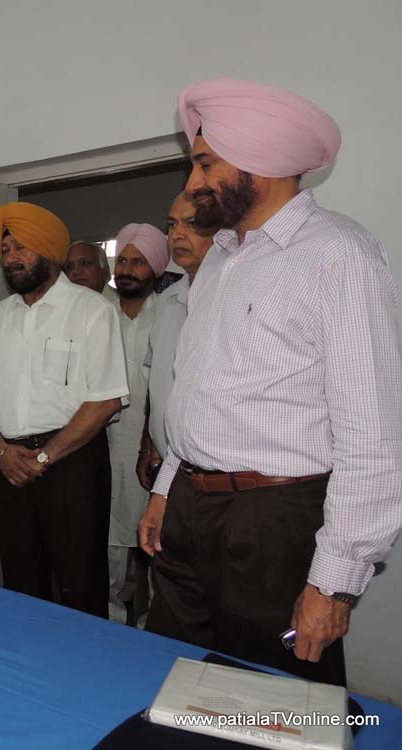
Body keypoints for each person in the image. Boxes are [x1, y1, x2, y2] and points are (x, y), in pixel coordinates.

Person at [139, 78, 402, 685]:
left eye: (205, 163)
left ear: (260, 161)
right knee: (175, 680)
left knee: (274, 703)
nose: (192, 183)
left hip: (274, 521)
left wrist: (334, 583)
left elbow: (372, 435)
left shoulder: (341, 255)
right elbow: (197, 391)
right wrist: (167, 491)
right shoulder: (220, 258)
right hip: (188, 506)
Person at [0, 202, 129, 615]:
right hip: (8, 464)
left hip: (72, 463)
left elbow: (106, 399)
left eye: (22, 247)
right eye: (6, 250)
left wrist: (44, 456)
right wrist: (1, 452)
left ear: (49, 250)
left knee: (81, 581)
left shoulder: (92, 310)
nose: (12, 258)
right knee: (21, 582)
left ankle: (85, 655)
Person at [105, 223, 168, 625]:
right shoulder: (97, 311)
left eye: (138, 262)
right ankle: (108, 623)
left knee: (156, 543)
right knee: (107, 540)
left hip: (154, 447)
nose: (127, 269)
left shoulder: (172, 312)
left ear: (157, 268)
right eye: (123, 260)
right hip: (103, 443)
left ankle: (153, 628)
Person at [136, 192, 216, 491]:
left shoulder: (232, 297)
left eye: (191, 223)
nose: (177, 235)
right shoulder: (167, 300)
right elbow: (157, 384)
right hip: (168, 465)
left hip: (215, 473)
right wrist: (149, 446)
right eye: (172, 225)